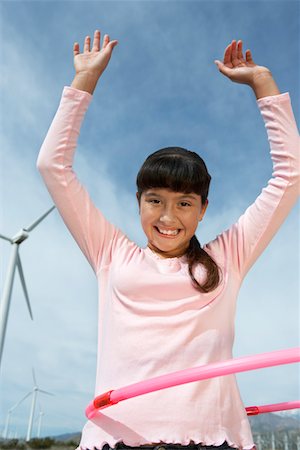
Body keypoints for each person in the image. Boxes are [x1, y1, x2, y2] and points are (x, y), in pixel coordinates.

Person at [37, 30, 299, 450]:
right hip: (115, 439)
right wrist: (84, 81)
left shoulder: (227, 257)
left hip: (214, 439)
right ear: (138, 202)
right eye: (155, 200)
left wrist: (262, 83)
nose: (167, 217)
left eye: (184, 203)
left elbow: (290, 176)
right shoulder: (110, 252)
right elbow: (53, 166)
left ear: (203, 209)